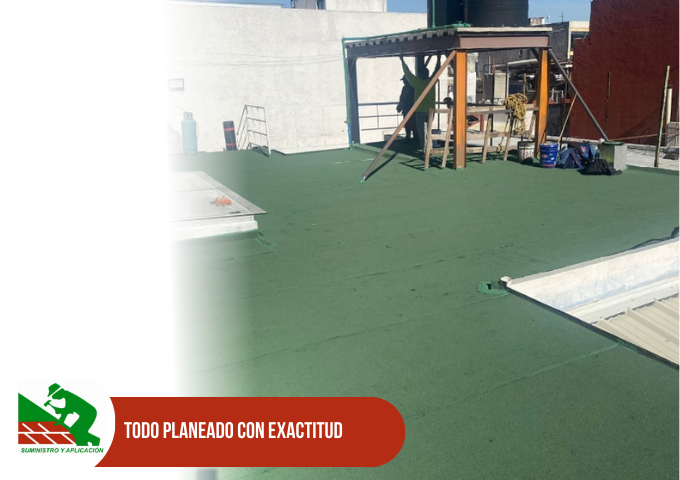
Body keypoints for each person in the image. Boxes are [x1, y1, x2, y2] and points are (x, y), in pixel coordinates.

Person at [400, 55, 441, 152]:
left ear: (420, 75)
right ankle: (430, 147)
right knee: (429, 129)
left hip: (420, 110)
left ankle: (425, 148)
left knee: (422, 131)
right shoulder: (432, 81)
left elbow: (408, 74)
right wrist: (439, 60)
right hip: (431, 110)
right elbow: (437, 71)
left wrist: (402, 61)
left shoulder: (417, 82)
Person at [396, 76, 417, 142]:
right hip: (405, 109)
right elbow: (402, 98)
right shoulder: (404, 88)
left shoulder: (413, 88)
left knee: (413, 124)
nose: (404, 82)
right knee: (406, 124)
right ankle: (408, 137)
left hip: (412, 109)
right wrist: (400, 106)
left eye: (404, 80)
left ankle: (415, 138)